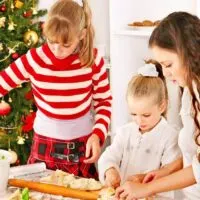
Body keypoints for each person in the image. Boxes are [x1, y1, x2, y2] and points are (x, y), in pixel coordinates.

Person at [0, 0, 112, 179]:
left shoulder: (93, 59)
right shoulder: (35, 59)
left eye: (66, 45)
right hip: (45, 145)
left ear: (82, 35)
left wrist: (98, 135)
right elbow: (2, 82)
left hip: (81, 145)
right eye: (52, 41)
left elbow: (104, 102)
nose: (57, 50)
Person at [115, 11, 200, 200]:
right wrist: (163, 172)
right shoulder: (189, 89)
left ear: (190, 54)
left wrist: (148, 188)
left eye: (169, 64)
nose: (166, 74)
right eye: (162, 66)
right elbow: (194, 154)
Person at [98, 61, 181, 198]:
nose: (139, 121)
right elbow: (109, 155)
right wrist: (110, 170)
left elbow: (169, 174)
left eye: (146, 115)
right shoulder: (126, 132)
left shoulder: (170, 136)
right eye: (134, 114)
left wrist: (142, 180)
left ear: (162, 106)